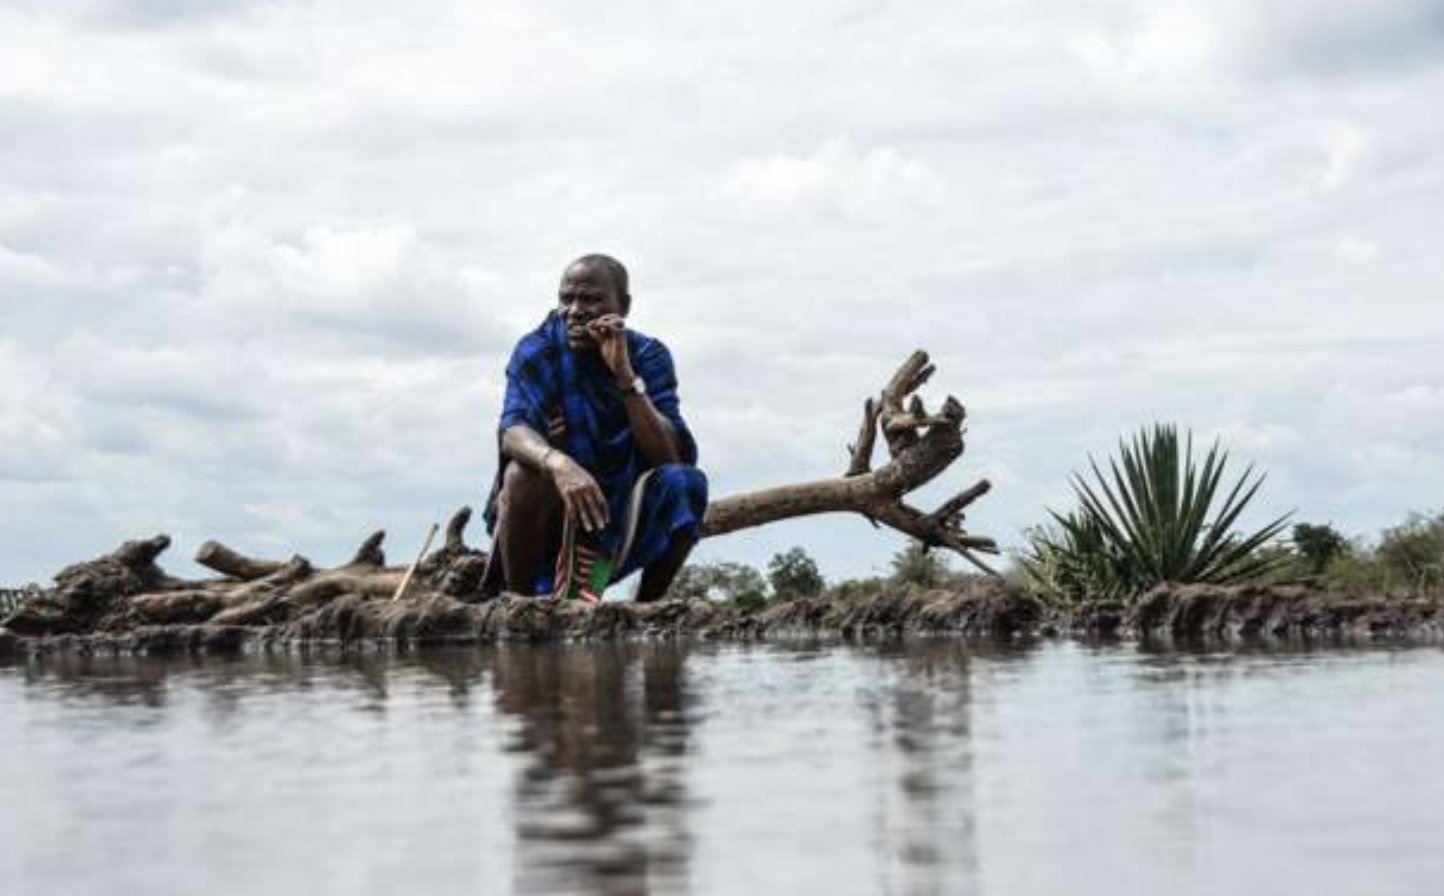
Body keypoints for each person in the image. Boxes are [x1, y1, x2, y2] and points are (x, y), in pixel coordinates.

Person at [482, 254, 707, 602]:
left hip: (622, 518)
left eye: (590, 300)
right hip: (549, 522)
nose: (574, 310)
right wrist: (558, 462)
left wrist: (624, 376)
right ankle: (520, 607)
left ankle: (647, 610)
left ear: (624, 306)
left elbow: (669, 456)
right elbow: (512, 429)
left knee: (687, 484)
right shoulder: (537, 349)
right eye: (566, 299)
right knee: (521, 474)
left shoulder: (647, 354)